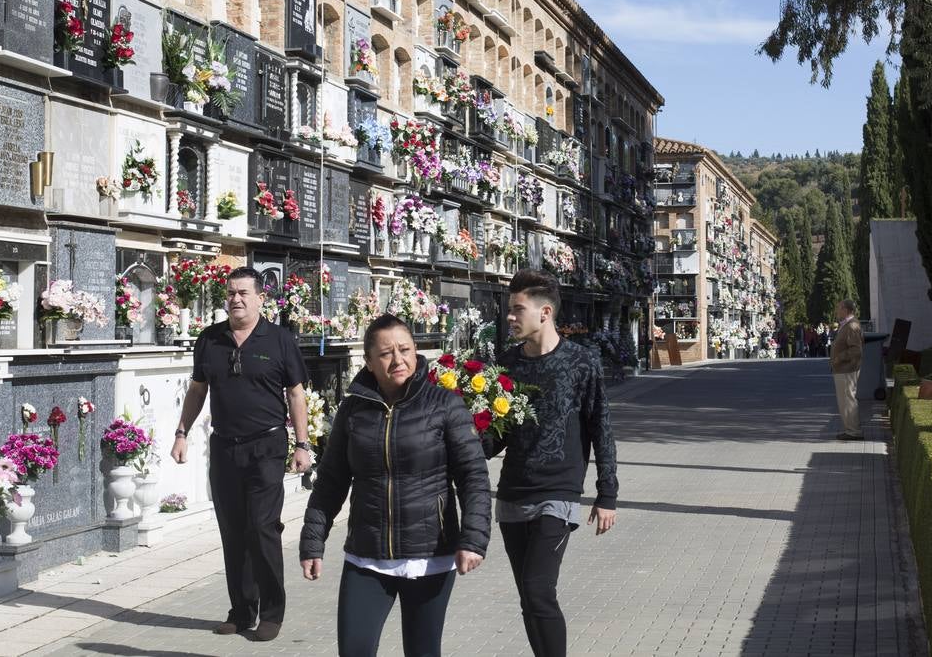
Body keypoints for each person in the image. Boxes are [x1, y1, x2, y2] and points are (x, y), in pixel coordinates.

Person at [299, 314, 490, 657]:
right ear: (369, 362)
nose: (398, 359)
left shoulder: (444, 405)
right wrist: (313, 541)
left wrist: (473, 539)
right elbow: (331, 481)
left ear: (416, 352)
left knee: (422, 651)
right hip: (367, 555)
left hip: (430, 554)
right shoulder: (353, 410)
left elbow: (473, 477)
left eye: (405, 349)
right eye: (386, 353)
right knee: (354, 650)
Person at [171, 266, 311, 641]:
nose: (235, 299)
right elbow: (198, 389)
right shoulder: (210, 339)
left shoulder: (279, 340)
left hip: (266, 445)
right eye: (231, 293)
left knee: (261, 528)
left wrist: (302, 443)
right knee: (233, 531)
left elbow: (295, 393)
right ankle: (241, 609)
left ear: (261, 298)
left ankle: (272, 612)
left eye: (243, 293)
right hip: (224, 447)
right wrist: (181, 432)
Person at [486, 269, 618, 657]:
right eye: (508, 310)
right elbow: (499, 433)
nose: (510, 317)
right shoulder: (506, 363)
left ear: (544, 312)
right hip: (512, 493)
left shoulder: (581, 362)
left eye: (517, 309)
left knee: (538, 589)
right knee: (529, 598)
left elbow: (601, 426)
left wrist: (606, 494)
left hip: (557, 494)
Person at [830, 298, 865, 441]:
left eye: (839, 308)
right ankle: (850, 430)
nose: (837, 311)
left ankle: (853, 431)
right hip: (843, 369)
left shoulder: (851, 326)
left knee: (848, 400)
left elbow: (856, 350)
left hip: (847, 369)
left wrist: (839, 358)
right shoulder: (847, 325)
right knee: (845, 400)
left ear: (846, 310)